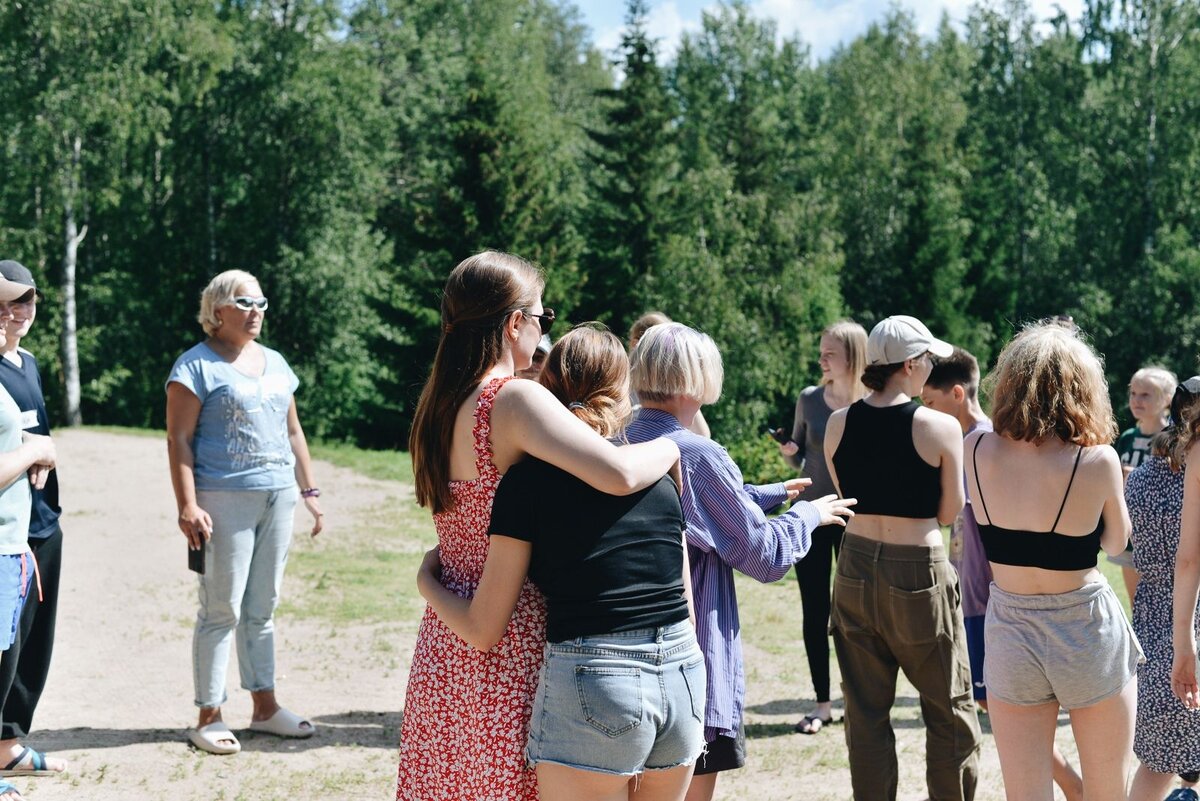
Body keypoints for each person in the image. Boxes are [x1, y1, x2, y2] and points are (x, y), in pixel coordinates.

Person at [397, 252, 680, 801]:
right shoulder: (512, 400)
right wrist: (674, 443)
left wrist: (427, 584)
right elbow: (620, 473)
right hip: (516, 645)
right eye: (542, 317)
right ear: (513, 323)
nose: (543, 329)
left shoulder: (438, 405)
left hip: (445, 647)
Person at [624, 322, 857, 801]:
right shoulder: (699, 453)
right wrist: (809, 515)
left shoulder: (618, 438)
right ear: (697, 378)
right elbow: (764, 556)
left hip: (623, 655)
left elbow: (695, 514)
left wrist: (764, 495)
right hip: (690, 658)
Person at [965, 321, 1141, 801]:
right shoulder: (1098, 461)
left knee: (1025, 793)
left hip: (1010, 626)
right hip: (1084, 626)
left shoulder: (975, 449)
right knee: (1107, 791)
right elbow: (1115, 543)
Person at [166, 270, 324, 756]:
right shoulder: (194, 367)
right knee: (222, 609)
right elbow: (179, 440)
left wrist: (309, 490)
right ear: (217, 310)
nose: (255, 311)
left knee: (263, 608)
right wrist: (187, 505)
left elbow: (293, 431)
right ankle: (209, 714)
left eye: (261, 302)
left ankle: (265, 707)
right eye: (244, 302)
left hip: (277, 496)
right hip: (221, 500)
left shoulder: (275, 363)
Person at [824, 314, 979, 801]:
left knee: (865, 714)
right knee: (949, 709)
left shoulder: (837, 421)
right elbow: (950, 510)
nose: (933, 366)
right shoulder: (937, 426)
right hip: (918, 568)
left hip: (853, 564)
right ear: (909, 365)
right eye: (929, 359)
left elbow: (847, 493)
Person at [922, 347, 1083, 801]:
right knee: (994, 702)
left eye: (930, 403)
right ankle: (1070, 784)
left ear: (957, 395)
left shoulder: (988, 442)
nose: (926, 414)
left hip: (994, 597)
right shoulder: (959, 441)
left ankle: (1073, 784)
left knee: (1002, 703)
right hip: (966, 587)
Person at [778, 319, 866, 734]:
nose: (821, 359)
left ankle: (858, 700)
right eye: (821, 351)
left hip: (854, 518)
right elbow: (799, 461)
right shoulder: (809, 399)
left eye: (829, 352)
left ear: (852, 357)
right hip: (811, 517)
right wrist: (790, 453)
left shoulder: (872, 404)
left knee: (856, 614)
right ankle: (822, 704)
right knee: (815, 611)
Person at [0, 262, 68, 782]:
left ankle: (10, 744)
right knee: (5, 646)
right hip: (8, 531)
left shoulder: (29, 364)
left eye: (23, 301)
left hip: (43, 522)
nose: (13, 312)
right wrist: (35, 451)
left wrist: (43, 452)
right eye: (2, 304)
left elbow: (37, 439)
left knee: (31, 645)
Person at [1127, 378, 1200, 801]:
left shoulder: (1139, 477)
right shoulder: (1192, 476)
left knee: (1157, 759)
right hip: (1189, 617)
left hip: (1151, 612)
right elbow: (1190, 560)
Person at [1113, 366, 1176, 606]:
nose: (1137, 400)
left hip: (1164, 539)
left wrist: (1139, 477)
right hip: (1130, 536)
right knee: (1137, 606)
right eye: (1133, 394)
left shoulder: (1175, 438)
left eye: (1146, 395)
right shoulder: (1128, 437)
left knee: (1167, 607)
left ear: (1167, 400)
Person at [628, 312, 710, 439]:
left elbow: (702, 434)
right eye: (657, 347)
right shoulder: (620, 382)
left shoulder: (672, 385)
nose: (669, 356)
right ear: (635, 345)